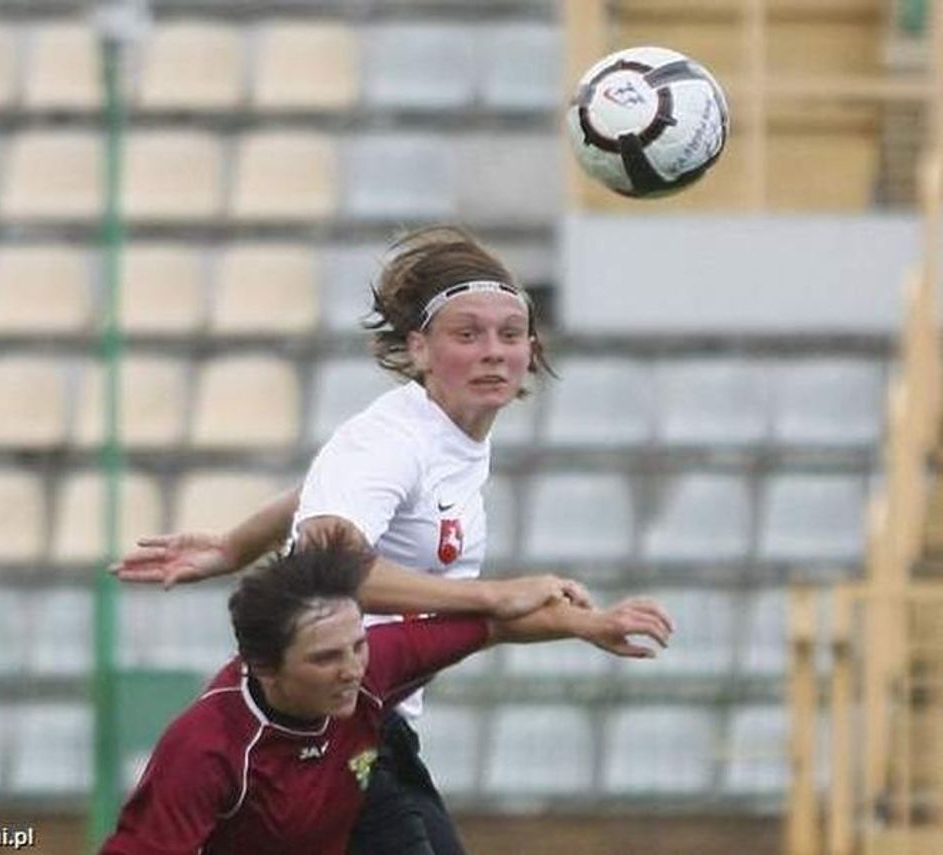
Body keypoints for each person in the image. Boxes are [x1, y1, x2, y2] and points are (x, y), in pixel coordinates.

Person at [113, 225, 606, 853]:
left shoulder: (442, 436)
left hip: (369, 719)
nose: (492, 351)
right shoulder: (392, 443)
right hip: (334, 717)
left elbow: (329, 491)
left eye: (509, 335)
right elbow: (331, 564)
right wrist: (495, 596)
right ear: (420, 348)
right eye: (467, 334)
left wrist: (237, 545)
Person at [102, 538, 674, 855]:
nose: (351, 669)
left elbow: (494, 625)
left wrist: (588, 625)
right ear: (264, 668)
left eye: (356, 645)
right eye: (326, 658)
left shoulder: (374, 668)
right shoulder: (206, 748)